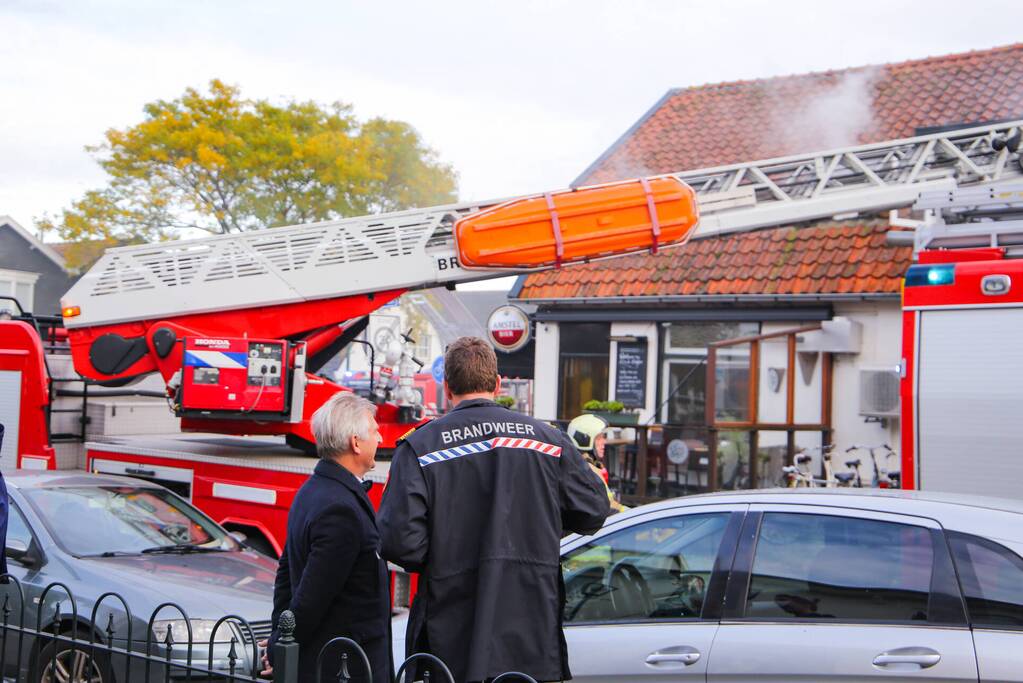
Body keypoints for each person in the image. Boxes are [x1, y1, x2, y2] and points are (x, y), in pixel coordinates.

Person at [378, 337, 610, 683]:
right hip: (531, 635)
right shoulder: (547, 439)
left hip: (452, 639)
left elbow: (400, 543)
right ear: (497, 383)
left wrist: (447, 553)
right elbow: (593, 509)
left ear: (447, 387)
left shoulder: (421, 446)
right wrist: (539, 526)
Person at [265, 392, 391, 683]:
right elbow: (312, 597)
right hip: (343, 666)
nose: (380, 439)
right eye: (375, 431)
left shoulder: (312, 490)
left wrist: (280, 638)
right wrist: (280, 647)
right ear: (355, 443)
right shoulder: (340, 508)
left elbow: (285, 577)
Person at [566, 413, 627, 514]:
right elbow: (608, 508)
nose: (604, 442)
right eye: (599, 438)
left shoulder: (589, 465)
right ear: (584, 439)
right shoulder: (587, 470)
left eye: (603, 437)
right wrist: (632, 514)